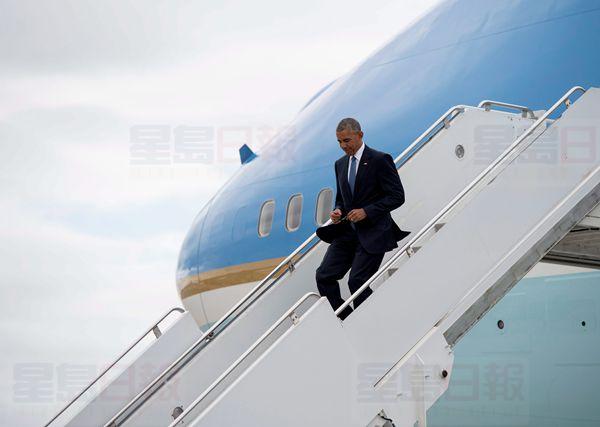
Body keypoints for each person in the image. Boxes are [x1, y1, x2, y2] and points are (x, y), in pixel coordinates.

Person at [315, 117, 410, 320]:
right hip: (348, 232)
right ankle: (349, 320)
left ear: (360, 135)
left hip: (374, 232)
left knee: (356, 282)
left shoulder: (379, 159)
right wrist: (338, 211)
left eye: (347, 140)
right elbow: (342, 199)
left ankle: (369, 323)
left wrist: (367, 211)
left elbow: (397, 196)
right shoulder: (340, 165)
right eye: (339, 142)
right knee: (324, 276)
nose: (343, 146)